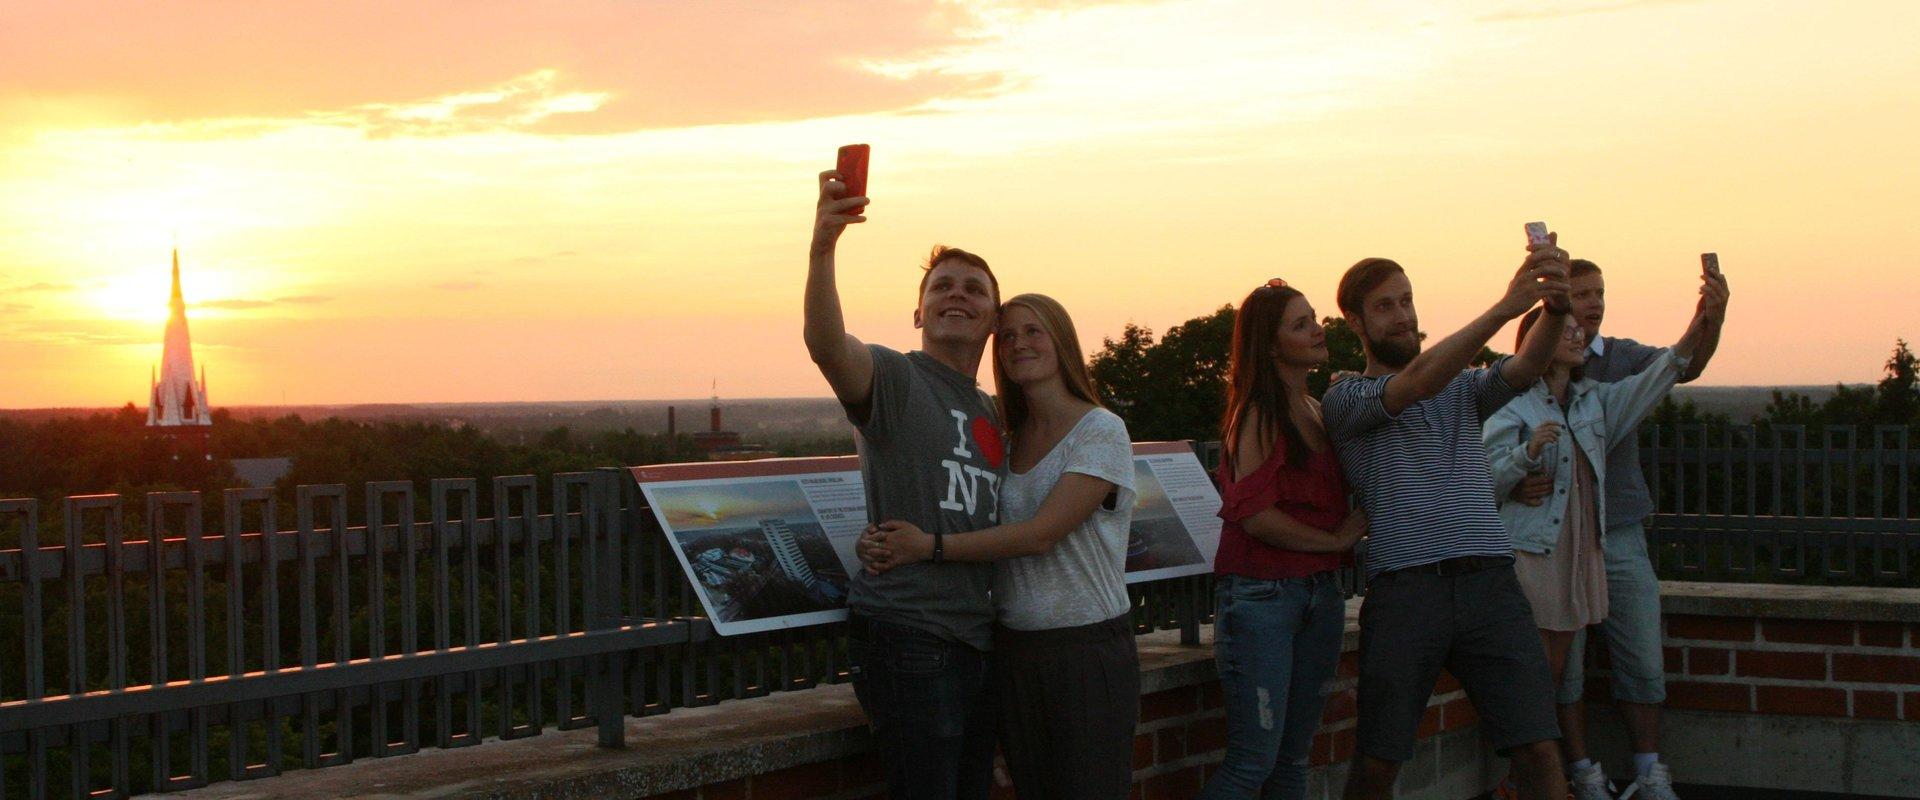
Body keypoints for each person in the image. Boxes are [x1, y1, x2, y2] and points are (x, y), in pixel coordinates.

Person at [1323, 237, 1574, 800]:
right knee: (1379, 758)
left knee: (1537, 744)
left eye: (1407, 300)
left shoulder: (1462, 387)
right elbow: (1414, 385)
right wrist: (1505, 308)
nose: (1403, 315)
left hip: (1490, 583)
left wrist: (1554, 308)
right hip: (1407, 591)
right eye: (1385, 305)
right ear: (1354, 322)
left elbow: (1530, 363)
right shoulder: (1347, 399)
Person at [859, 293, 1138, 800]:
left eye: (1034, 332)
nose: (1019, 344)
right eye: (1007, 335)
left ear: (1062, 341)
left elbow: (1041, 534)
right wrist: (879, 538)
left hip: (1085, 650)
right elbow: (968, 507)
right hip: (1014, 649)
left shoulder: (1100, 429)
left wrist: (928, 547)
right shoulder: (1008, 439)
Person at [804, 164, 1005, 799]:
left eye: (975, 289)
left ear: (993, 317)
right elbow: (827, 344)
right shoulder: (895, 379)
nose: (958, 295)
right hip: (911, 638)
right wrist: (823, 246)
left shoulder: (994, 412)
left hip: (978, 642)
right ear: (917, 313)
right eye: (942, 286)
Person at [1506, 258, 1730, 800]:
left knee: (1639, 655)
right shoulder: (1513, 386)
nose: (1594, 304)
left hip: (1618, 529)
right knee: (1562, 668)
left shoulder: (1610, 376)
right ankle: (1574, 773)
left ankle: (1646, 773)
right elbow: (1482, 456)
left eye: (1600, 292)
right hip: (1549, 544)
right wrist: (1517, 472)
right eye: (1581, 294)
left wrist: (1709, 319)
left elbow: (1678, 367)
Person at [1202, 278, 1368, 799]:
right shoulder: (1259, 411)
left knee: (1292, 760)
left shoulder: (1316, 407)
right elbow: (1255, 516)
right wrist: (1335, 540)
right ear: (1271, 344)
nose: (1319, 330)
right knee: (1253, 763)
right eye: (1302, 324)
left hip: (1317, 594)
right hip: (1262, 595)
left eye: (1314, 317)